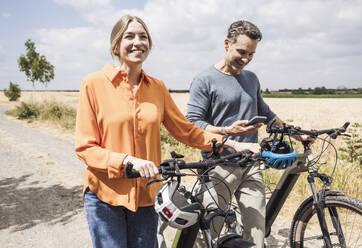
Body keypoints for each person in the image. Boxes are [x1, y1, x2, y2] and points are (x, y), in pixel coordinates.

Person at [75, 15, 261, 248]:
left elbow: (187, 131)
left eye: (143, 37)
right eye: (129, 36)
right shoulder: (93, 84)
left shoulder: (157, 88)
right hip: (105, 195)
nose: (137, 42)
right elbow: (85, 148)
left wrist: (232, 144)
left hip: (146, 194)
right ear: (115, 45)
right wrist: (127, 161)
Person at [186, 20, 311, 248]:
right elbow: (193, 123)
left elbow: (267, 114)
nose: (245, 59)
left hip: (251, 163)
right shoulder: (204, 80)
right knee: (210, 231)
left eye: (251, 54)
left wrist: (297, 135)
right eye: (241, 52)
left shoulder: (251, 78)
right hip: (218, 165)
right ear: (226, 44)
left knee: (256, 230)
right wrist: (227, 131)